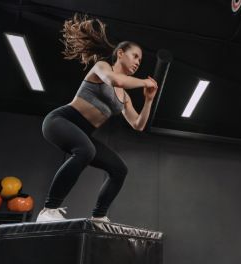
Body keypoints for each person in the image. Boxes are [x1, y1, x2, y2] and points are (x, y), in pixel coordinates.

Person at [36, 14, 158, 223]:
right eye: (135, 56)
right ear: (120, 53)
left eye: (140, 60)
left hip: (83, 134)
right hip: (61, 121)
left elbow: (138, 125)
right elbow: (113, 80)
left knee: (119, 169)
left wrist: (148, 100)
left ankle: (99, 216)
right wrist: (144, 83)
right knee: (86, 150)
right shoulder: (103, 68)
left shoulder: (125, 97)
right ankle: (48, 210)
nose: (138, 62)